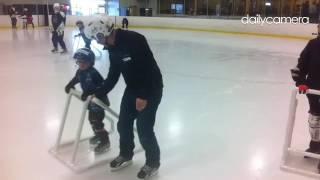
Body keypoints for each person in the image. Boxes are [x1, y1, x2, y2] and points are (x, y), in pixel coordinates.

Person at [84, 19, 163, 179]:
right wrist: (99, 92)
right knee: (123, 125)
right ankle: (126, 154)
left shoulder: (134, 40)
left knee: (144, 129)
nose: (96, 42)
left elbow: (147, 68)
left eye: (96, 38)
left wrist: (143, 96)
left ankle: (153, 163)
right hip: (132, 89)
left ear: (102, 33)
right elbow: (113, 75)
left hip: (151, 88)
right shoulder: (112, 48)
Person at [65, 48, 111, 154]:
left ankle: (105, 141)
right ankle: (99, 135)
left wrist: (89, 92)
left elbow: (102, 87)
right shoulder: (80, 71)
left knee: (96, 122)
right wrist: (70, 85)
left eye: (84, 62)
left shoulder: (93, 73)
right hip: (91, 102)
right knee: (92, 121)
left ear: (91, 62)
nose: (81, 64)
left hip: (99, 102)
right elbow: (76, 79)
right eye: (79, 62)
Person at [291, 24, 320, 156]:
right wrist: (301, 82)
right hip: (314, 91)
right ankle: (315, 145)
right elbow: (301, 65)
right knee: (314, 120)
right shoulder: (313, 44)